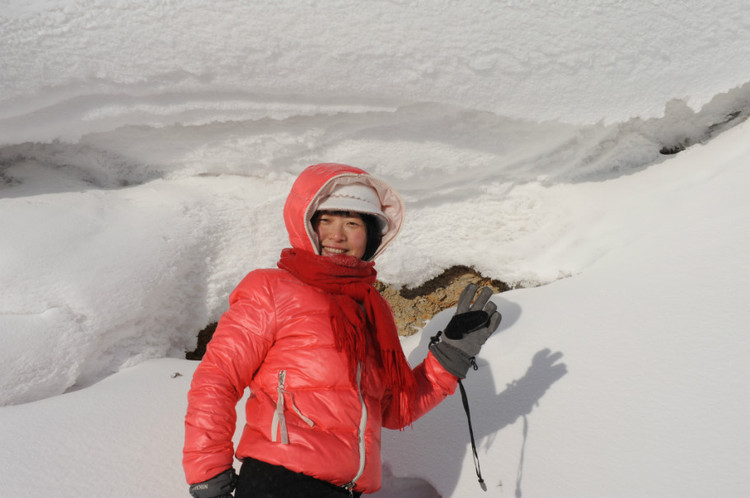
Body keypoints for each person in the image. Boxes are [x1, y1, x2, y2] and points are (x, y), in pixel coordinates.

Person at [183, 163, 501, 498]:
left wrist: (450, 356)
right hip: (279, 481)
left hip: (346, 490)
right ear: (306, 225)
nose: (338, 234)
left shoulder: (371, 309)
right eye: (327, 221)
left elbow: (395, 410)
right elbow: (217, 378)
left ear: (372, 236)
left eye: (352, 223)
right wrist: (209, 475)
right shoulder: (272, 289)